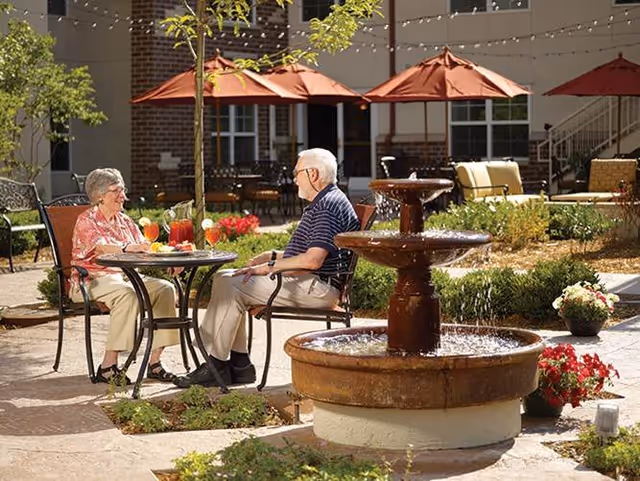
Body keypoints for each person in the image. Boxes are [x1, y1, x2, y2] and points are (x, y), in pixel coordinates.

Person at [174, 148, 360, 388]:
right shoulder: (327, 200)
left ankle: (216, 365)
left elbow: (312, 261)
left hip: (317, 287)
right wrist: (271, 255)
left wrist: (271, 266)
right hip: (313, 282)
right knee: (227, 279)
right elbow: (310, 254)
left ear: (313, 174)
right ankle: (239, 366)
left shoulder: (327, 206)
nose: (294, 179)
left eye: (297, 172)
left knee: (230, 283)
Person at [70, 168, 179, 384]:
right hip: (92, 279)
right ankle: (108, 366)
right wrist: (129, 246)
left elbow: (144, 248)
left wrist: (170, 261)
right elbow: (102, 248)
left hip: (127, 277)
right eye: (116, 191)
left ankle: (154, 363)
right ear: (100, 195)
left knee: (166, 289)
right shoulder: (87, 220)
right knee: (128, 294)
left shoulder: (125, 221)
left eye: (123, 189)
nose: (123, 195)